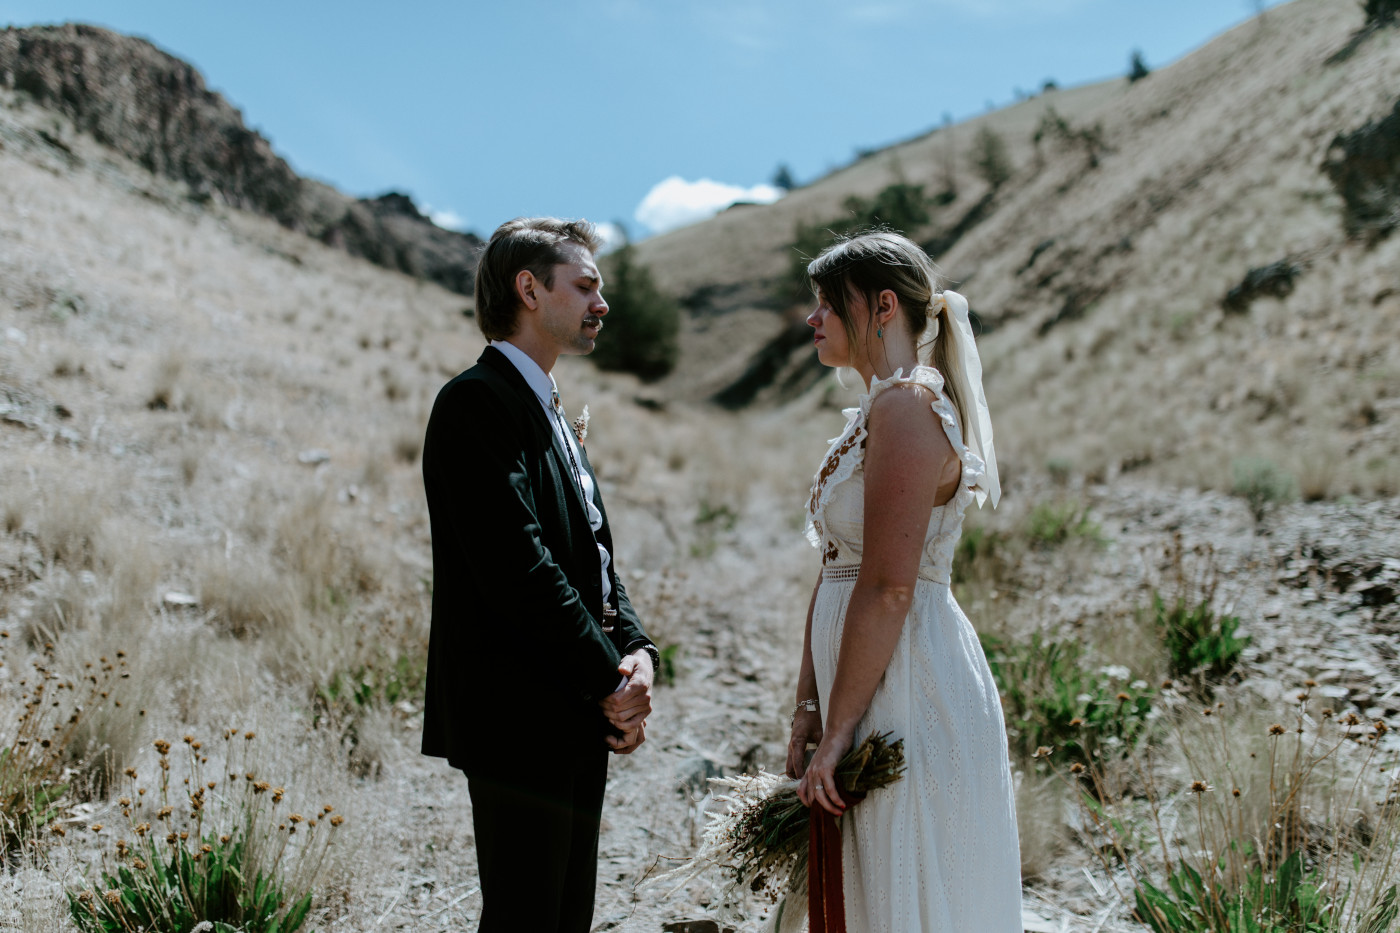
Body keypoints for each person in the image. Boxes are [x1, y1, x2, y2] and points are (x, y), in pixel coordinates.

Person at [420, 217, 660, 933]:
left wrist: (641, 649)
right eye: (585, 284)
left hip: (573, 703)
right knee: (526, 916)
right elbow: (517, 562)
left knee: (565, 916)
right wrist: (609, 677)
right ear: (529, 288)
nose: (601, 302)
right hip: (517, 710)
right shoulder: (476, 402)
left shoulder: (547, 407)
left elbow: (592, 552)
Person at [785, 230, 1021, 931]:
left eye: (828, 302)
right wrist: (808, 706)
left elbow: (889, 586)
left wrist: (841, 730)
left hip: (907, 683)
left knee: (908, 884)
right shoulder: (876, 411)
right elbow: (837, 567)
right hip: (864, 681)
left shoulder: (909, 410)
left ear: (883, 306)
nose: (813, 317)